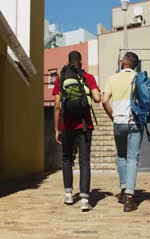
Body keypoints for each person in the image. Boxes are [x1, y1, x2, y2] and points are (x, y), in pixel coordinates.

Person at [53, 51, 101, 211]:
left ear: (68, 61)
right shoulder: (89, 77)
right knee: (84, 161)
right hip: (85, 125)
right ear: (80, 62)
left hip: (67, 126)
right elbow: (97, 98)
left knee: (67, 159)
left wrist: (56, 128)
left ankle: (68, 195)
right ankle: (84, 200)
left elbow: (57, 105)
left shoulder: (61, 78)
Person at [102, 52, 143, 212]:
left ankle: (123, 188)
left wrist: (113, 115)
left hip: (118, 122)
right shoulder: (139, 78)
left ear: (124, 63)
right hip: (135, 122)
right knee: (133, 158)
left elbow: (104, 100)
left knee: (121, 156)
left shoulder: (113, 79)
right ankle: (130, 198)